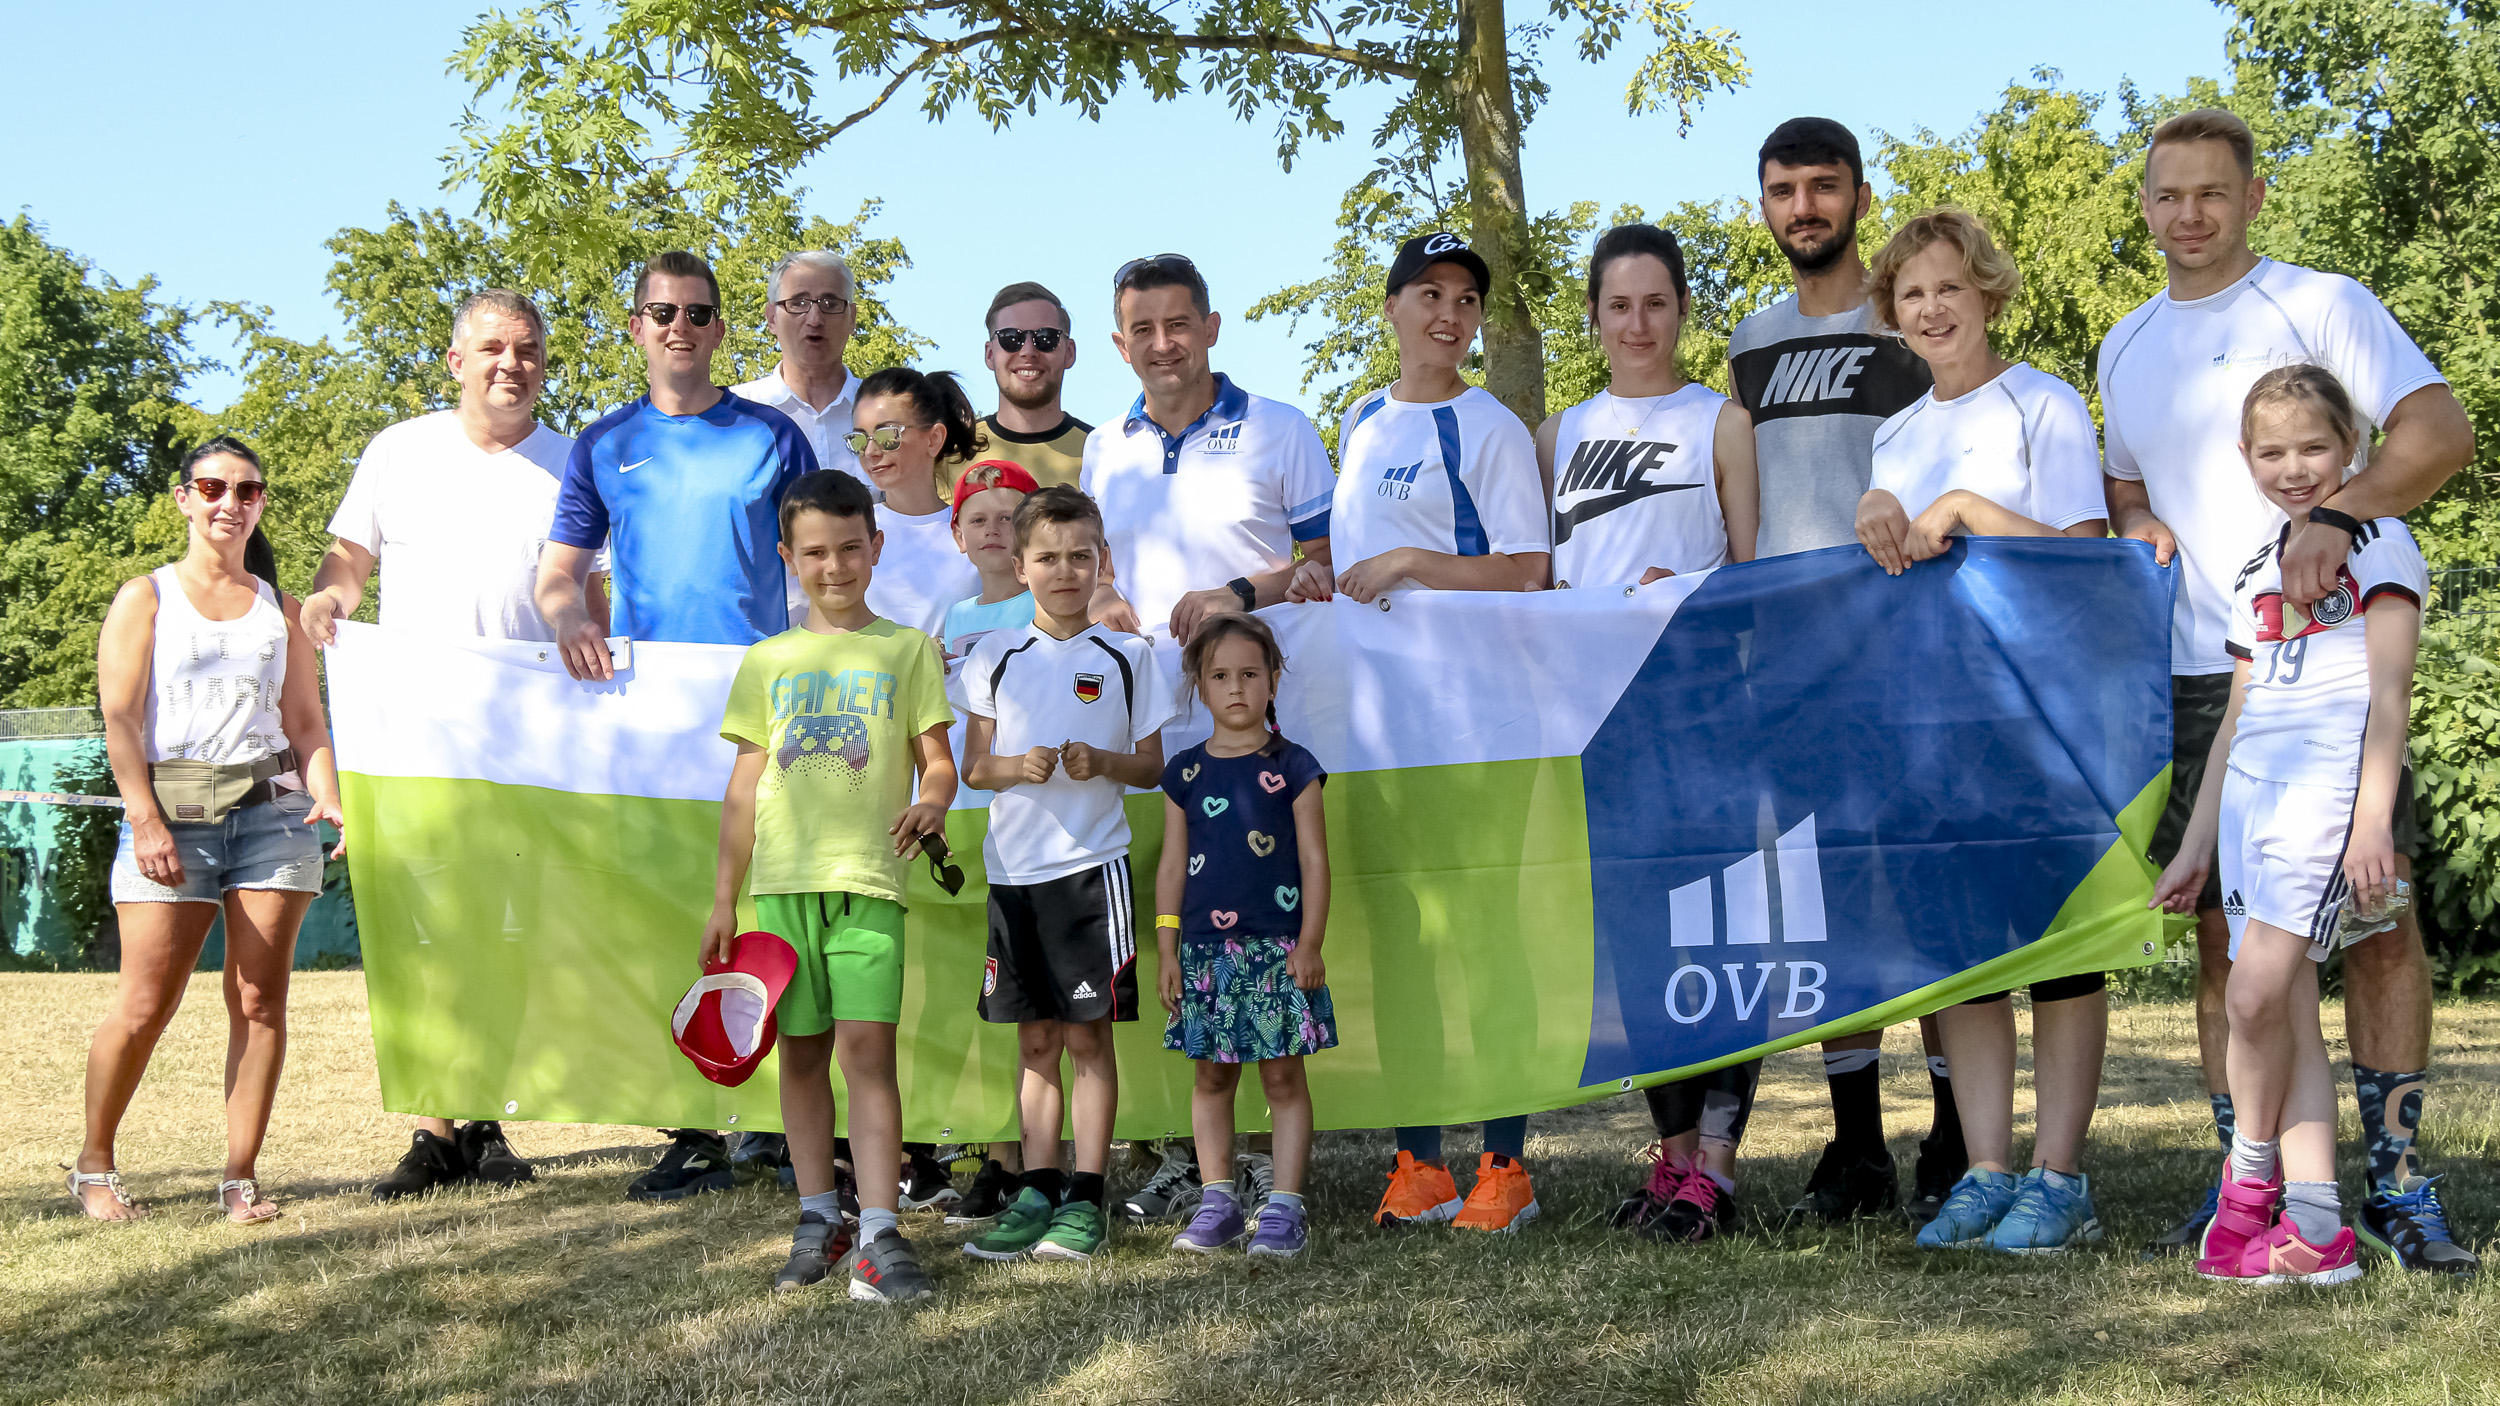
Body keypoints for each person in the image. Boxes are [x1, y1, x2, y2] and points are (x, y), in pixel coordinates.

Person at [2099, 109, 2477, 1272]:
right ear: (2146, 204)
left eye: (2213, 192)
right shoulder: (2122, 341)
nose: (2189, 215)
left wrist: (2334, 514)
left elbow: (2439, 429)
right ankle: (2247, 1181)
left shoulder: (2323, 304)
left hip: (2336, 672)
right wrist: (2141, 522)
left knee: (2375, 915)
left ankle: (2399, 1182)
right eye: (2168, 195)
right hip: (2218, 670)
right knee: (2228, 940)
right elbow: (2123, 487)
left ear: (2252, 196)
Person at [1843, 210, 2114, 1254]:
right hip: (1928, 720)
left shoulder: (2042, 402)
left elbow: (2088, 562)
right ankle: (1989, 1169)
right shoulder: (1892, 433)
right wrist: (1876, 512)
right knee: (1962, 951)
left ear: (1988, 291)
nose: (1932, 308)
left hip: (2035, 714)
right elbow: (1891, 572)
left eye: (1949, 286)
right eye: (1911, 294)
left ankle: (2060, 1177)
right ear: (1892, 315)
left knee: (2057, 950)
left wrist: (1964, 504)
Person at [301, 288, 596, 1202]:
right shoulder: (400, 450)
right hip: (416, 734)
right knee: (423, 930)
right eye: (495, 348)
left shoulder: (575, 463)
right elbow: (349, 565)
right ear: (456, 360)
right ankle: (432, 1131)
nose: (512, 364)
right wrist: (327, 604)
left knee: (508, 928)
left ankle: (488, 1117)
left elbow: (600, 597)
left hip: (528, 739)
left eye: (530, 350)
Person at [536, 249, 818, 1200]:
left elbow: (819, 564)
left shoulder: (772, 436)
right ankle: (694, 1123)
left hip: (762, 705)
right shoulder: (602, 442)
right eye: (663, 314)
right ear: (636, 328)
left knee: (770, 904)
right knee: (677, 906)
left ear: (722, 329)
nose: (681, 329)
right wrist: (571, 614)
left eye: (699, 314)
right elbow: (558, 572)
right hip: (649, 719)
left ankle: (779, 1120)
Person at [1290, 231, 1550, 1233]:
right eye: (1429, 294)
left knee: (1485, 940)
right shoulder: (1357, 419)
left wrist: (1410, 562)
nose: (1450, 315)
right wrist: (1326, 573)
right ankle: (1417, 1164)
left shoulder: (1487, 425)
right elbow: (1347, 564)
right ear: (1391, 307)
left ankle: (1505, 1166)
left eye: (1468, 300)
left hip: (1476, 727)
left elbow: (1529, 570)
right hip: (1376, 732)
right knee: (1401, 943)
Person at [1723, 116, 1955, 1228]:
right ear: (1763, 204)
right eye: (1783, 189)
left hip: (1906, 652)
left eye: (1823, 186)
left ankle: (1957, 1133)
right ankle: (1856, 1142)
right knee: (1827, 904)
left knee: (1923, 893)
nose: (1803, 206)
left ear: (1860, 195)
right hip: (1789, 665)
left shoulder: (1914, 320)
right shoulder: (1747, 343)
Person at [2152, 365, 2428, 1287]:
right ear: (2245, 458)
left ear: (2350, 448)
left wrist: (2371, 822)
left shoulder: (2381, 540)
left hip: (2325, 793)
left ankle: (2247, 1189)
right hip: (2250, 802)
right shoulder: (2250, 564)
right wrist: (2197, 843)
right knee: (2289, 1010)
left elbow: (2389, 695)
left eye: (2314, 447)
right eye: (2272, 451)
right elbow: (2236, 717)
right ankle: (2314, 1228)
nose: (2295, 467)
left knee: (2252, 997)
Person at [1534, 222, 1759, 1244]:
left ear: (1680, 310)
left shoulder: (1719, 421)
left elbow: (1753, 578)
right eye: (1618, 304)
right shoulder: (1555, 434)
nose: (1637, 323)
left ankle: (1717, 1160)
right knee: (1637, 947)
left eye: (1656, 302)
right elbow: (1531, 586)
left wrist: (1695, 594)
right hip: (1596, 729)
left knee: (1715, 933)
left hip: (1699, 721)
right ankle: (1668, 1157)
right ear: (1593, 314)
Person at [68, 437, 346, 1225]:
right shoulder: (145, 598)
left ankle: (239, 1178)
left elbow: (303, 720)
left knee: (259, 1001)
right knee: (145, 1005)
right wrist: (144, 816)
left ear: (260, 503)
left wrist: (328, 798)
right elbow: (120, 717)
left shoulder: (279, 608)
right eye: (214, 487)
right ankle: (94, 1165)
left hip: (272, 817)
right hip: (172, 817)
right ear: (184, 497)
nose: (231, 502)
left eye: (248, 490)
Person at [707, 468, 958, 1301]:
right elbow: (744, 789)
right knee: (803, 1057)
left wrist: (929, 803)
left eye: (851, 548)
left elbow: (940, 765)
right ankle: (819, 1215)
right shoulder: (767, 660)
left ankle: (882, 1232)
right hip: (780, 894)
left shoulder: (907, 650)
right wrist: (722, 900)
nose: (835, 566)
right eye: (815, 552)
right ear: (788, 557)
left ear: (876, 548)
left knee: (867, 1056)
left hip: (871, 884)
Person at [958, 485, 1176, 1263]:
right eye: (1047, 558)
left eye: (1080, 556)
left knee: (1088, 1043)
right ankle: (1035, 1190)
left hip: (1093, 874)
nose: (1064, 570)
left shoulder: (1129, 656)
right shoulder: (994, 654)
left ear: (1100, 562)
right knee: (1036, 1043)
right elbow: (974, 768)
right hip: (1013, 876)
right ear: (1019, 567)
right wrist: (1015, 766)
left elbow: (1151, 767)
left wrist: (1102, 762)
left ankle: (1088, 1195)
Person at [1156, 613, 1336, 1260]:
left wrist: (1309, 943)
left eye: (1250, 675)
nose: (1236, 688)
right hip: (1204, 954)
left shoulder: (1296, 767)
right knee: (1211, 1079)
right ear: (1200, 687)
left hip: (1278, 951)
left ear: (1273, 681)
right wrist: (1169, 950)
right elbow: (1172, 866)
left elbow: (1315, 861)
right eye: (1220, 676)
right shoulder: (1183, 773)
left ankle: (1285, 1209)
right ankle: (1219, 1203)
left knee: (1283, 1079)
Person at [1082, 254, 1336, 643]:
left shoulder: (1282, 428)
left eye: (1177, 324)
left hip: (1257, 687)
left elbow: (1334, 559)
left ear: (1210, 328)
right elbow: (1099, 565)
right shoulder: (1102, 447)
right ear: (1123, 346)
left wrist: (1240, 595)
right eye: (1143, 329)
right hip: (1138, 689)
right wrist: (1099, 593)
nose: (1162, 344)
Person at [849, 367, 982, 640]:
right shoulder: (851, 533)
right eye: (860, 439)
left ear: (933, 439)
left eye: (888, 437)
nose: (872, 452)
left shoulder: (978, 533)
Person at [940, 282, 1091, 494]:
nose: (1028, 351)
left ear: (1070, 352)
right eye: (1011, 338)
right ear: (990, 354)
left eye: (1046, 338)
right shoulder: (947, 458)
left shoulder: (1103, 454)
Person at [730, 250, 866, 478]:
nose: (814, 319)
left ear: (852, 318)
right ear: (772, 318)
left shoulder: (887, 414)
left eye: (830, 304)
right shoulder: (735, 414)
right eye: (798, 303)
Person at [942, 459, 1040, 665]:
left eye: (1005, 518)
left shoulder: (1048, 605)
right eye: (978, 520)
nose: (991, 530)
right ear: (960, 537)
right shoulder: (957, 615)